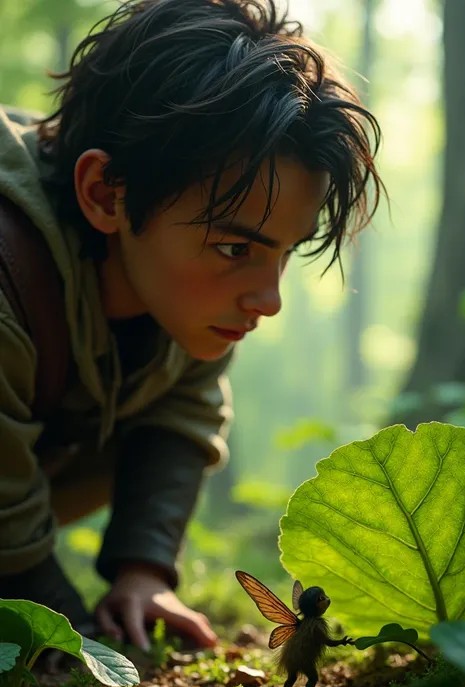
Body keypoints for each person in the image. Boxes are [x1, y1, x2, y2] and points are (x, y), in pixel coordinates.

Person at [0, 0, 383, 653]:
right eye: (237, 249)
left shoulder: (186, 296)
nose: (268, 299)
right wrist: (76, 641)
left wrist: (144, 571)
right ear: (105, 193)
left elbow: (183, 409)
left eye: (285, 252)